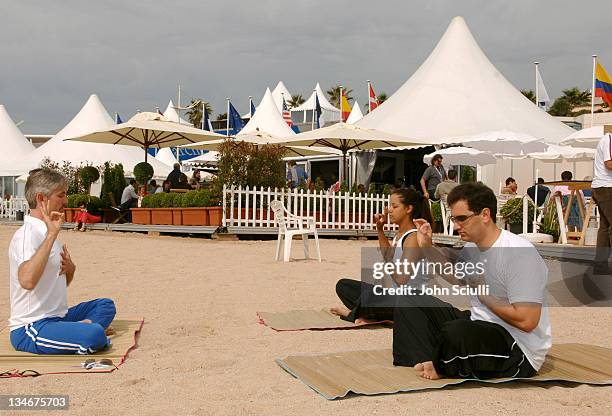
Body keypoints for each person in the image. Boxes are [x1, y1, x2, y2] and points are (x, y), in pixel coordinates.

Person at [393, 182, 550, 381]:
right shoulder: (473, 248)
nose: (456, 226)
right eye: (454, 219)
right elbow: (454, 276)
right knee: (410, 300)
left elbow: (527, 321)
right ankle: (431, 359)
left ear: (485, 215)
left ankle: (442, 363)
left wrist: (484, 296)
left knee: (457, 331)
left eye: (462, 219)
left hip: (517, 348)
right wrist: (426, 246)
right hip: (481, 325)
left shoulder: (518, 254)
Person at [8, 168, 116, 355]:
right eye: (61, 195)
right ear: (42, 199)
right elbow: (27, 281)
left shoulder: (47, 231)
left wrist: (71, 270)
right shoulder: (27, 236)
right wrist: (51, 235)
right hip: (31, 326)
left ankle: (79, 328)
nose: (66, 201)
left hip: (59, 317)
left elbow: (57, 283)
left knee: (106, 305)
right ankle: (84, 331)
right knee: (95, 335)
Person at [330, 187, 432, 323]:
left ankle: (352, 314)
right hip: (395, 297)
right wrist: (379, 229)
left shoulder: (413, 237)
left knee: (371, 296)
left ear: (408, 209)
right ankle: (370, 314)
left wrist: (389, 262)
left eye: (394, 206)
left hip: (412, 303)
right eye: (390, 205)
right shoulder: (400, 234)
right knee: (343, 286)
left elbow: (401, 279)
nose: (389, 210)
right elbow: (388, 256)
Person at [592, 133, 612, 274]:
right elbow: (609, 163)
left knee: (605, 227)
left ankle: (600, 266)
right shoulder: (610, 139)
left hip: (602, 187)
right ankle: (600, 265)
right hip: (607, 187)